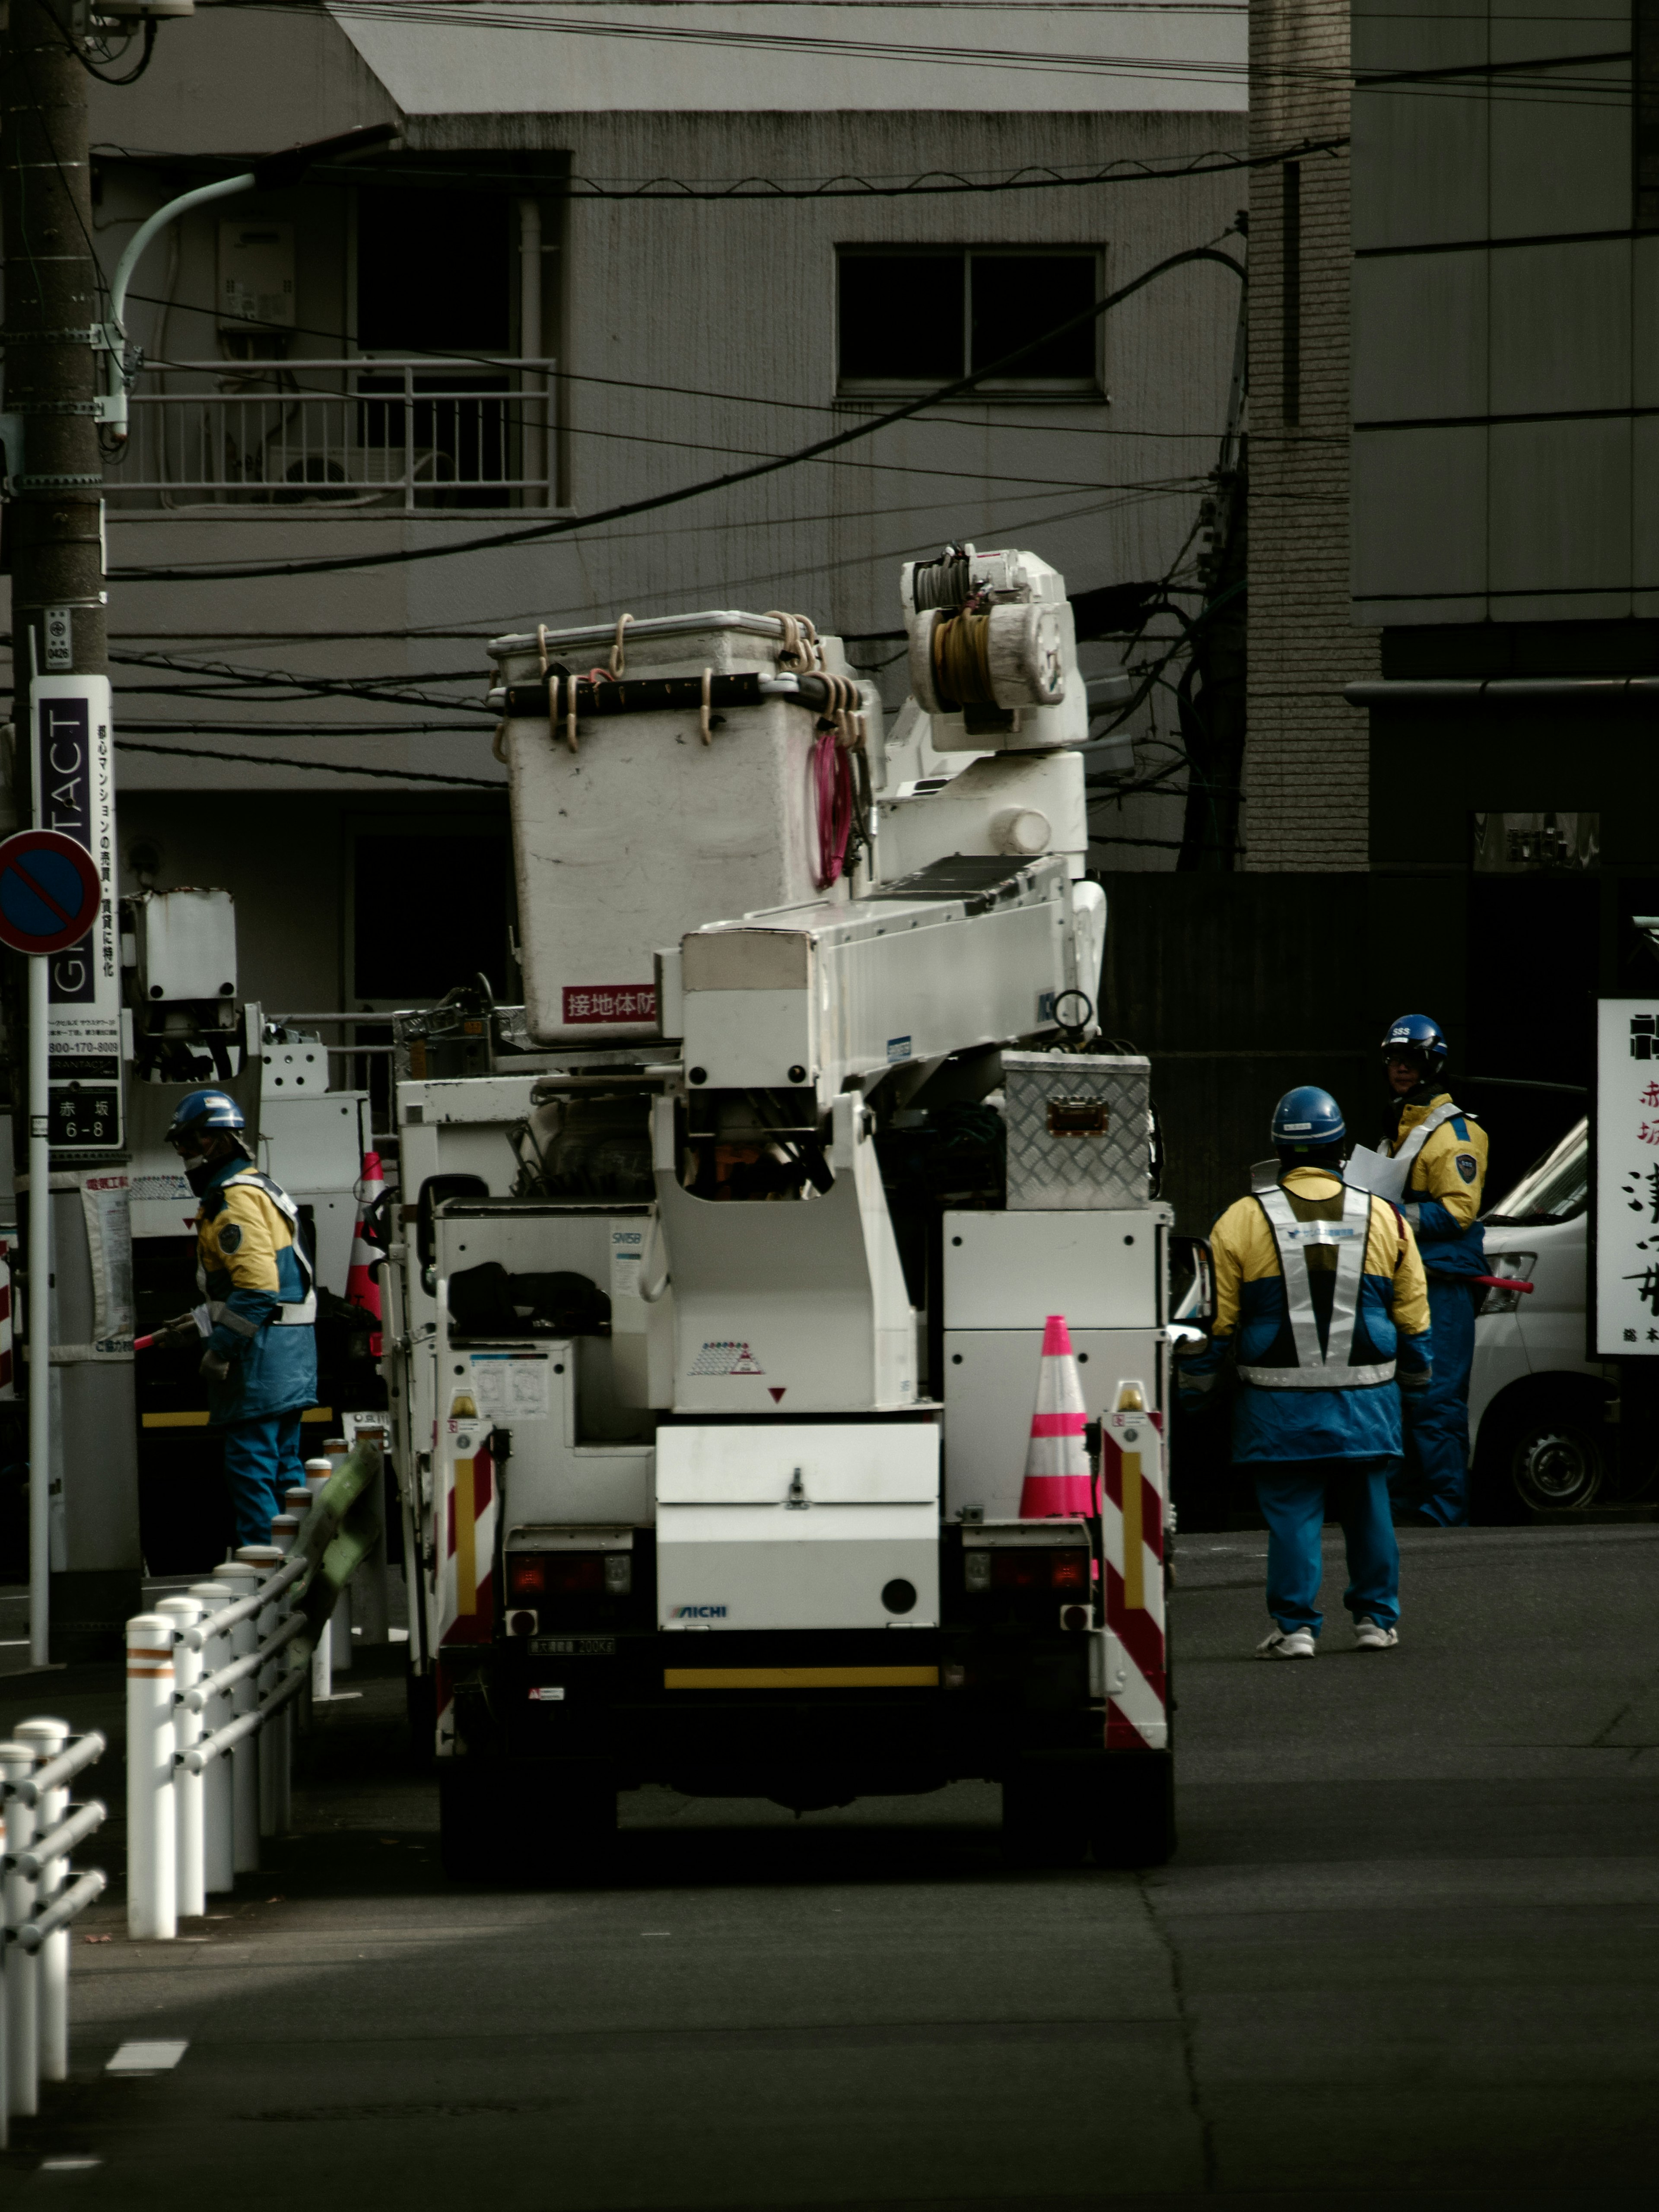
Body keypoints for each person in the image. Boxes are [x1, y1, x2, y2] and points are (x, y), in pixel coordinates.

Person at [1178, 1085, 1432, 1657]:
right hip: (1367, 1401)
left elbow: (1217, 1324)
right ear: (1340, 1147)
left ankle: (1295, 1629)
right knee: (1369, 1507)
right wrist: (1415, 1387)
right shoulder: (1385, 1217)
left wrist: (1195, 1395)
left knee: (1292, 1514)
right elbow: (1414, 1315)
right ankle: (1375, 1621)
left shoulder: (1239, 1220)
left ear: (1278, 1149)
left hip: (1278, 1405)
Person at [154, 1089, 318, 1548]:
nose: (183, 1155)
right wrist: (199, 1323)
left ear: (214, 1141)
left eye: (188, 1143)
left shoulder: (234, 1199)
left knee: (251, 1472)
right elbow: (270, 1285)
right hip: (290, 1353)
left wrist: (221, 1348)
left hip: (260, 1360)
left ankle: (264, 1585)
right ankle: (298, 1575)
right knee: (285, 1469)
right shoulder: (259, 1185)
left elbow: (258, 1287)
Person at [1379, 1014, 1488, 1527]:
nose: (1400, 1069)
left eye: (1411, 1060)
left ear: (1433, 1064)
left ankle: (1444, 1513)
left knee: (1438, 1402)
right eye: (1395, 1059)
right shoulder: (1396, 1127)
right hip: (1404, 1281)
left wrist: (1393, 1214)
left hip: (1442, 1285)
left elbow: (1459, 1211)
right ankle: (1403, 1507)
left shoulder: (1457, 1132)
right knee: (1401, 1396)